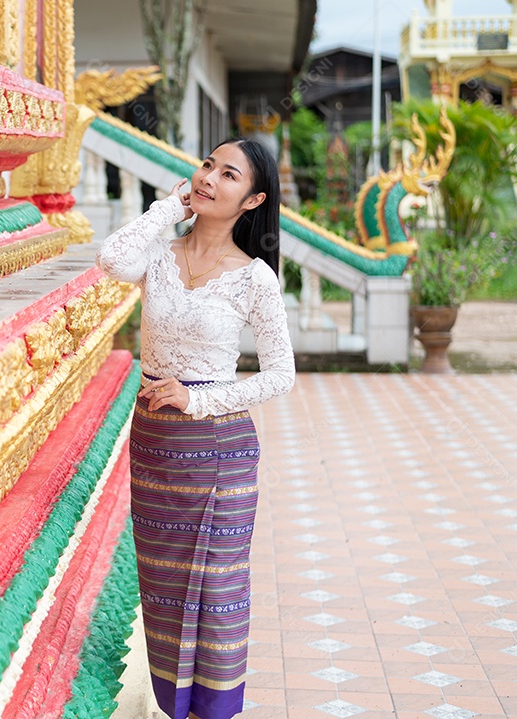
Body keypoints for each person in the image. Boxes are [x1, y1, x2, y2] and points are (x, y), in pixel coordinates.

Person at [96, 137, 295, 719]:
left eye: (227, 175)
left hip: (217, 446)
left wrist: (198, 399)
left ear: (253, 199)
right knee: (159, 579)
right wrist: (168, 207)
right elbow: (111, 258)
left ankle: (214, 710)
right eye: (207, 165)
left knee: (216, 587)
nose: (209, 178)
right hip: (155, 444)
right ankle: (170, 704)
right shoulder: (159, 256)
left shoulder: (254, 278)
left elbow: (280, 375)